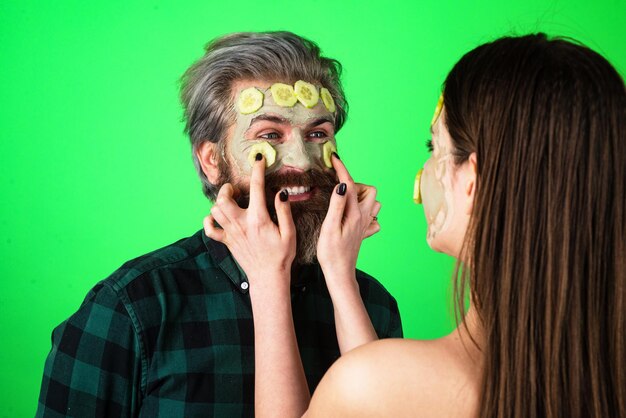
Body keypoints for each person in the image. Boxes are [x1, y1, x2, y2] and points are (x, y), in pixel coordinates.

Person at [233, 33, 625, 417]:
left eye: (433, 149)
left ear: (472, 183)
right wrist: (339, 274)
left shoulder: (374, 382)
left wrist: (269, 279)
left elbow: (376, 392)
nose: (423, 175)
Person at [35, 31, 402, 417]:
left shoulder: (371, 306)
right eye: (269, 135)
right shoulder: (132, 309)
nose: (303, 160)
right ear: (212, 160)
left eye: (317, 134)